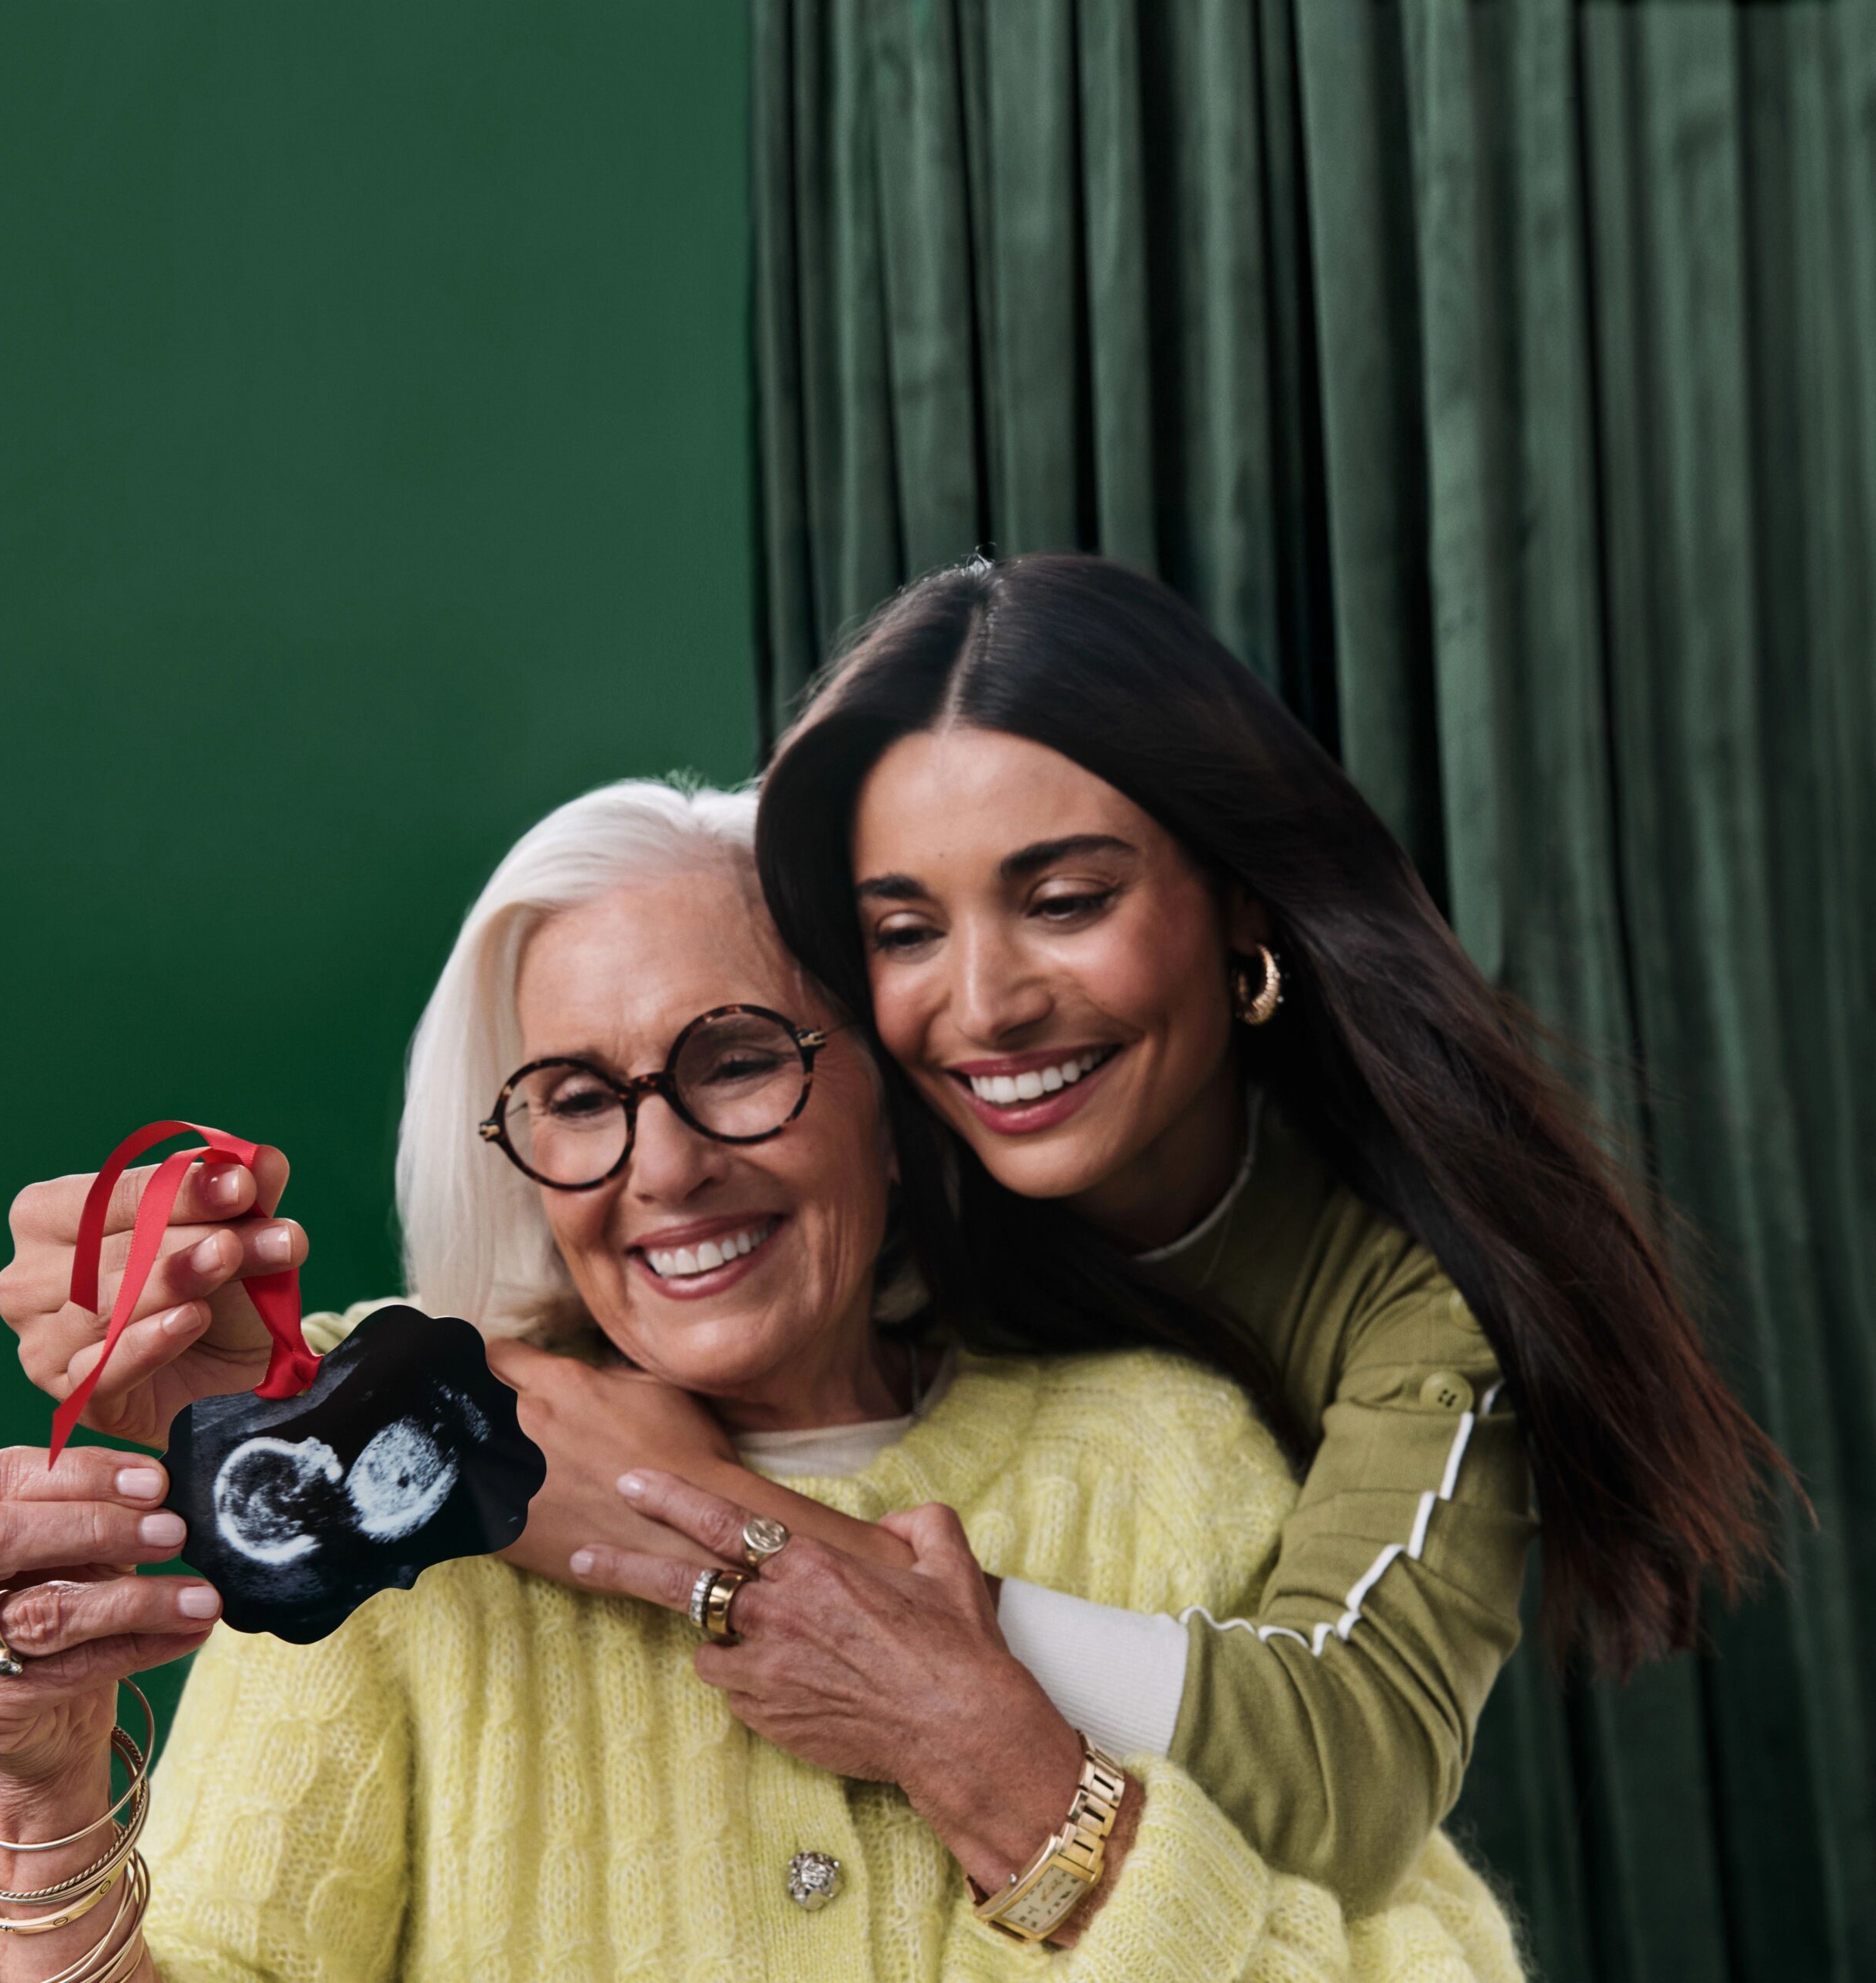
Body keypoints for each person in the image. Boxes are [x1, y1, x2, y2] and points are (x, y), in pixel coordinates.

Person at [0, 781, 1525, 1981]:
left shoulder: (1170, 1457)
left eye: (738, 1056)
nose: (661, 1164)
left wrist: (1017, 1780)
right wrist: (45, 1797)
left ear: (890, 1093)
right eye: (573, 1096)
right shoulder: (405, 1507)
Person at [748, 552, 1796, 1906]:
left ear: (1237, 895)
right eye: (905, 930)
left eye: (1065, 903)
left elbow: (1345, 1778)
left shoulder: (1425, 1300)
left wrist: (913, 1630)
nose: (985, 1004)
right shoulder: (849, 1201)